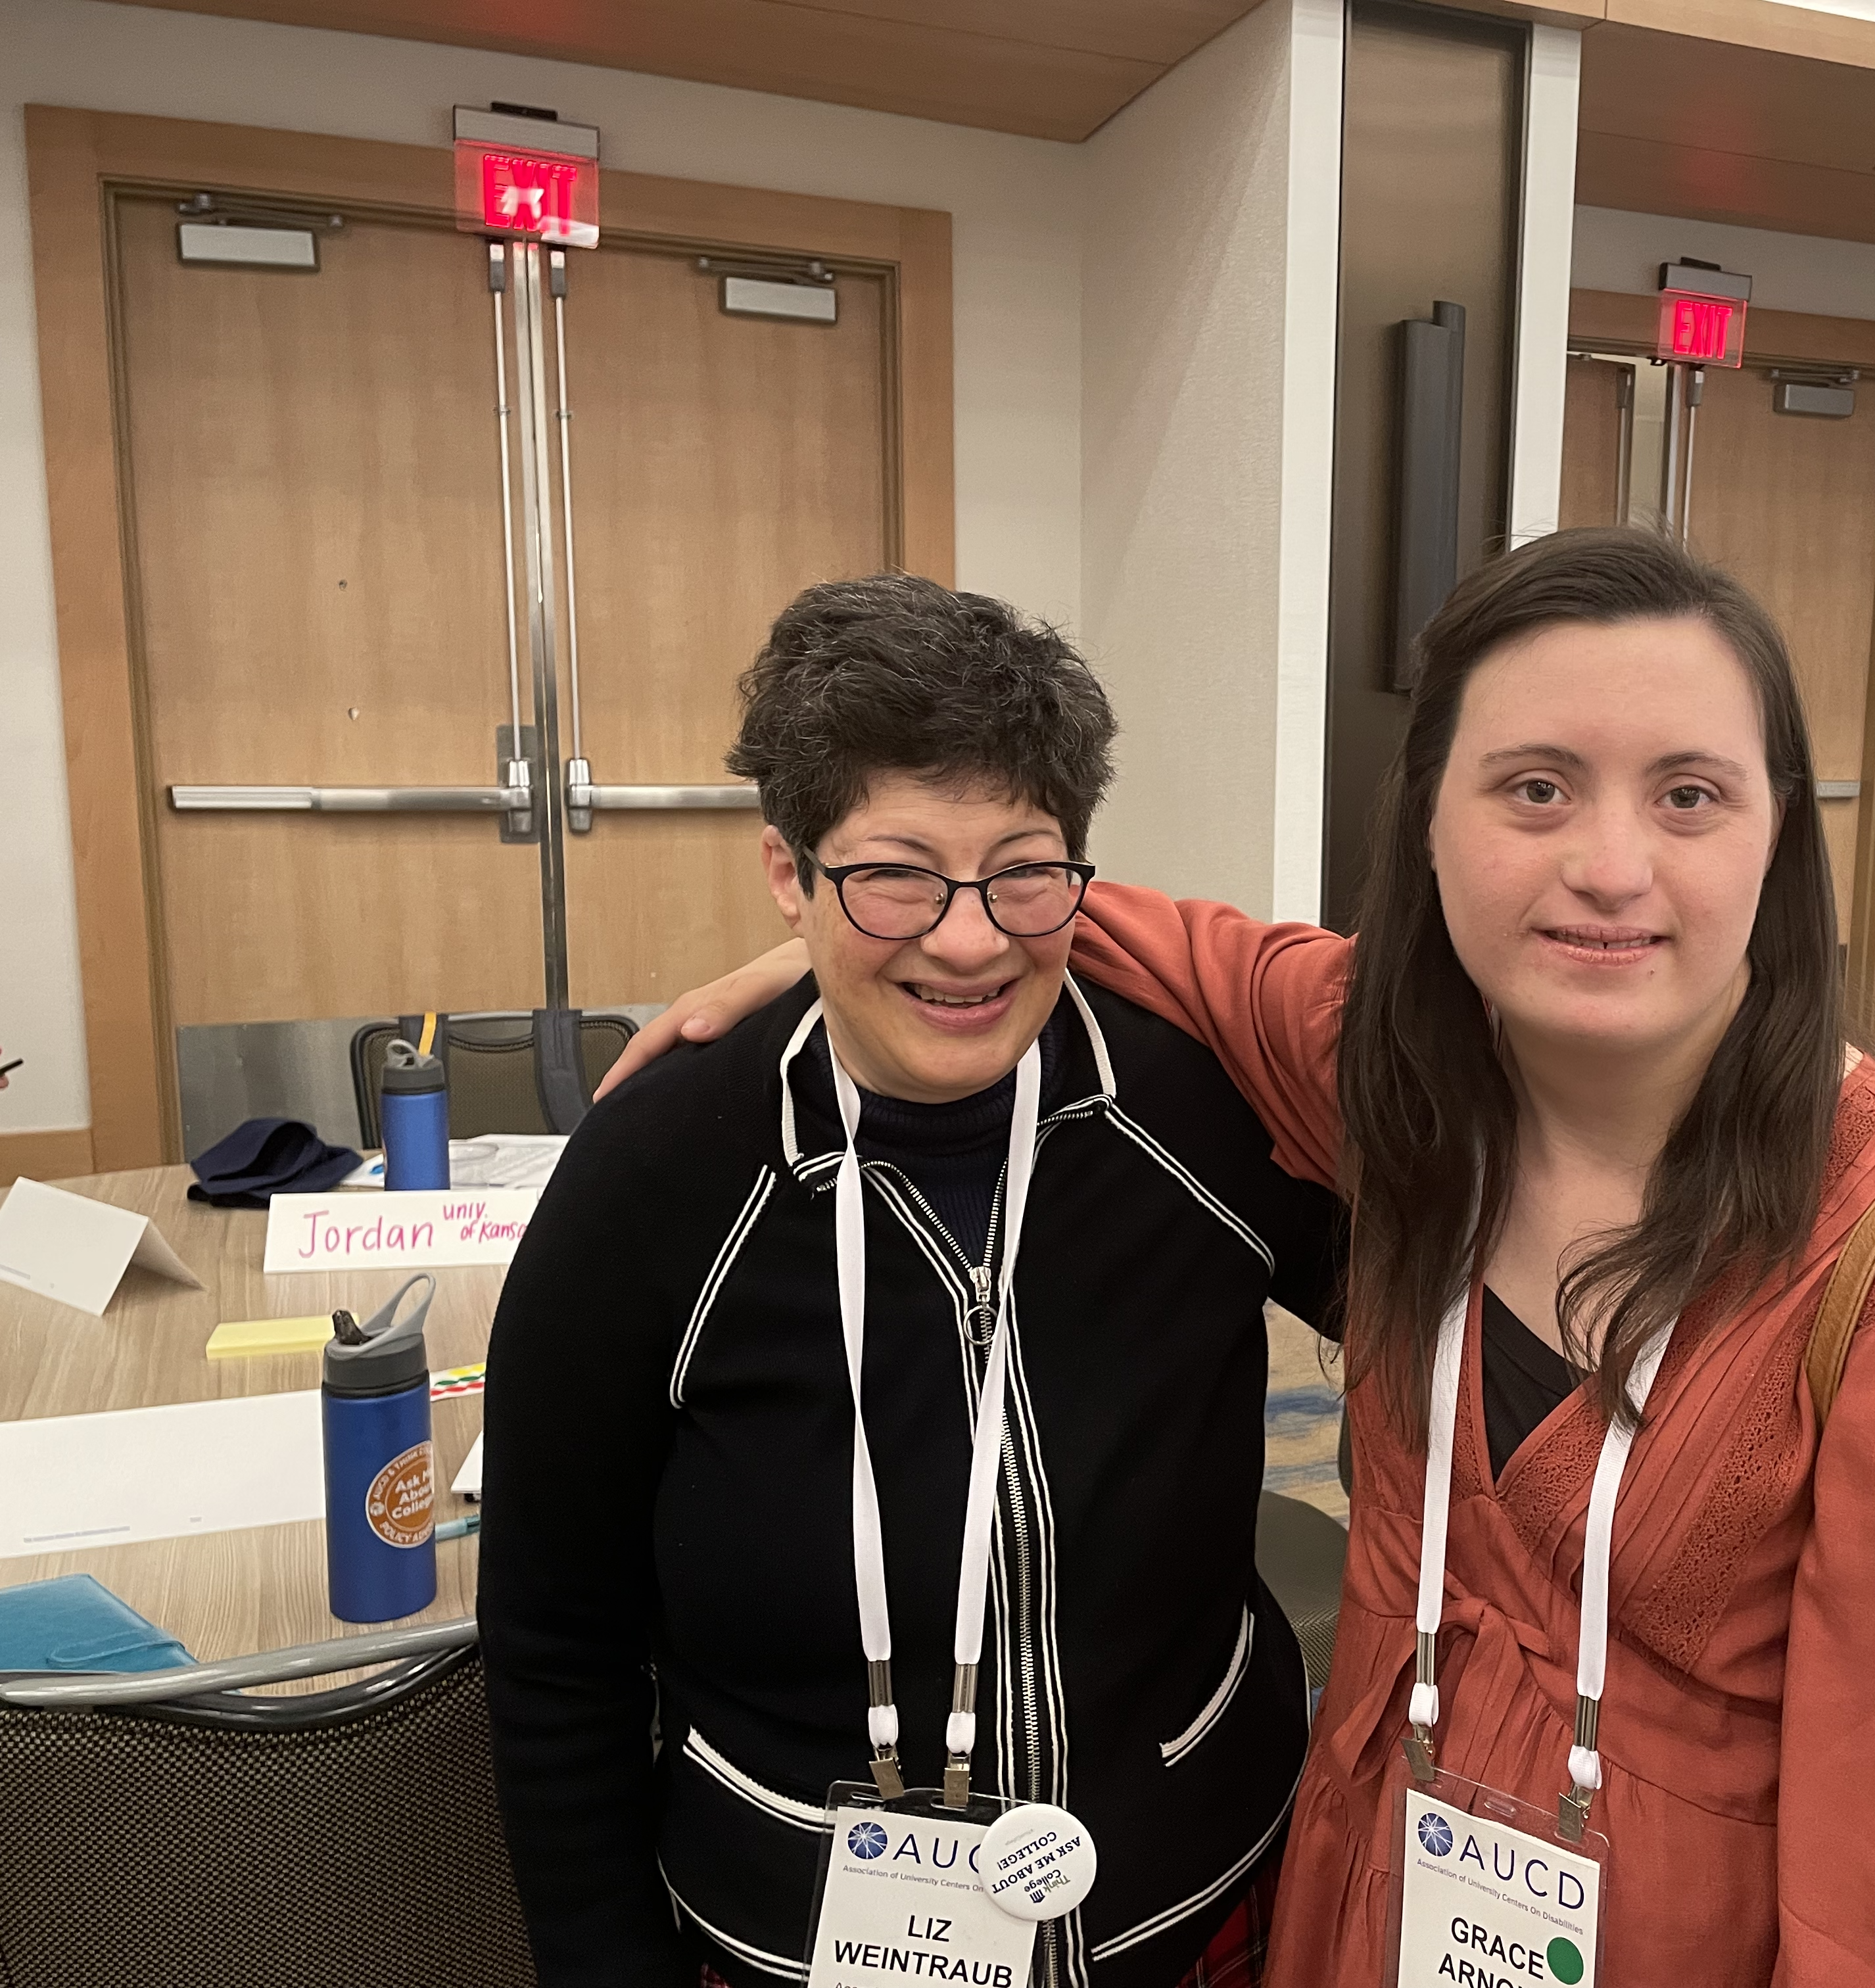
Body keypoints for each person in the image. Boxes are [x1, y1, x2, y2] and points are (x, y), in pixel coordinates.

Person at [611, 529, 1875, 1985]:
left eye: (1689, 796)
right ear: (1429, 818)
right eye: (1535, 788)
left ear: (1778, 833)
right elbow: (1185, 947)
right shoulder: (1394, 1083)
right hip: (1363, 1894)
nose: (1612, 865)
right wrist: (884, 925)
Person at [481, 575, 1342, 1988]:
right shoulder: (658, 1175)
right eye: (893, 873)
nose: (969, 938)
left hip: (1190, 1906)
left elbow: (1452, 1318)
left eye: (1024, 867)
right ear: (787, 873)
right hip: (796, 1942)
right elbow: (554, 1647)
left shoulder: (1191, 1112)